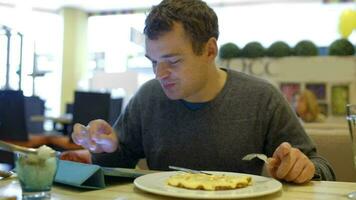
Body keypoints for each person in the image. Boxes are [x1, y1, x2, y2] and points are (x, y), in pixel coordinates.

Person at [70, 0, 335, 183]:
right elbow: (118, 168)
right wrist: (106, 149)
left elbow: (322, 169)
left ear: (209, 50)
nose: (159, 74)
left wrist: (303, 169)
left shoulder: (262, 99)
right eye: (153, 61)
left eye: (173, 61)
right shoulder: (147, 98)